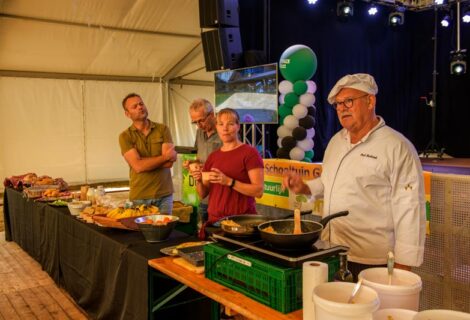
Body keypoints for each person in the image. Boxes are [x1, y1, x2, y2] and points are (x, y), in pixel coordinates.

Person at [282, 73, 426, 278]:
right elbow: (329, 182)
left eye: (348, 101)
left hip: (372, 262)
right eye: (338, 104)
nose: (342, 108)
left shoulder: (397, 146)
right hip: (331, 251)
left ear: (370, 101)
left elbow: (410, 208)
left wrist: (402, 267)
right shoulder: (335, 141)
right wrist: (304, 187)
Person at [190, 108, 264, 237]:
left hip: (241, 224)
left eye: (230, 124)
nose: (225, 128)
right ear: (216, 127)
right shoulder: (213, 157)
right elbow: (202, 194)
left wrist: (229, 181)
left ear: (238, 127)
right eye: (221, 124)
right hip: (215, 222)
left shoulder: (250, 153)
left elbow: (258, 191)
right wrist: (199, 179)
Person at [119, 93, 177, 214]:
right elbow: (138, 167)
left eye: (141, 104)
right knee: (140, 232)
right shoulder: (125, 136)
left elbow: (169, 164)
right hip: (139, 196)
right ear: (127, 114)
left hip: (164, 195)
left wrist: (144, 163)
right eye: (134, 106)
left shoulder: (163, 129)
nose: (140, 107)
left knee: (165, 230)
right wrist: (164, 157)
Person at [183, 99, 222, 226]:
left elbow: (230, 162)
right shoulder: (200, 132)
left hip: (219, 195)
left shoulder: (224, 133)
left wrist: (205, 167)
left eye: (201, 120)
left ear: (212, 115)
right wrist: (192, 162)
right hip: (203, 195)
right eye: (195, 122)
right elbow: (200, 157)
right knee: (202, 232)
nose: (199, 125)